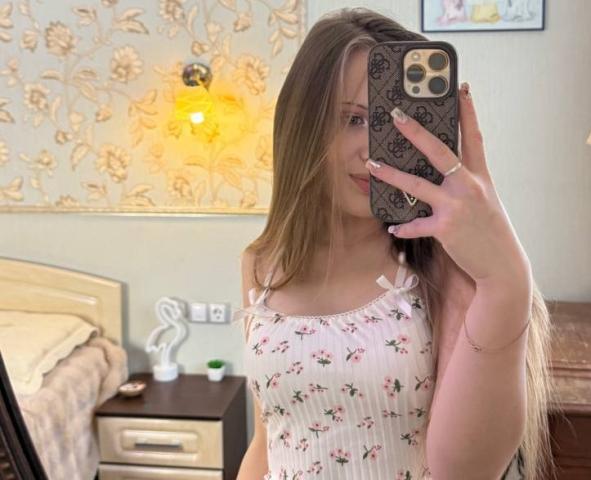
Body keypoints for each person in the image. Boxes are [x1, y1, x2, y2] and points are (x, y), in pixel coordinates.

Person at [235, 7, 558, 480]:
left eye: (397, 123)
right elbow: (267, 441)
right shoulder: (263, 262)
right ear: (302, 127)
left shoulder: (445, 267)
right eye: (353, 119)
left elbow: (464, 470)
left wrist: (506, 279)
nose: (375, 149)